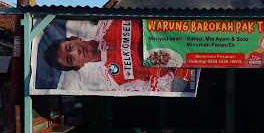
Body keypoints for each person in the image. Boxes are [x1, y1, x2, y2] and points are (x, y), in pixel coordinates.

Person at [46, 19, 192, 92]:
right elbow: (152, 86)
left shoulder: (107, 25)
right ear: (77, 66)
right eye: (70, 58)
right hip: (188, 67)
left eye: (69, 47)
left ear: (75, 39)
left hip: (187, 35)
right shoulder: (111, 81)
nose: (74, 52)